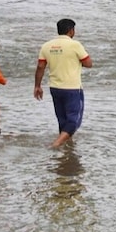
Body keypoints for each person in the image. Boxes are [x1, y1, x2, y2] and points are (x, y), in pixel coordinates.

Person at [34, 18, 93, 149]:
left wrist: (37, 86)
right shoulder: (75, 45)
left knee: (62, 119)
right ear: (71, 31)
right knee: (73, 121)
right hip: (72, 88)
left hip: (55, 87)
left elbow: (40, 67)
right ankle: (56, 144)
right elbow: (89, 63)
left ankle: (67, 146)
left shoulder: (47, 45)